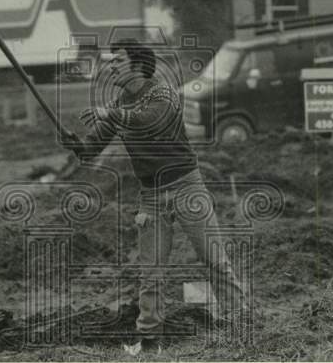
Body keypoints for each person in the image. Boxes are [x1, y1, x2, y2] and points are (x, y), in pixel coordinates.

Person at [62, 38, 246, 336]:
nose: (111, 68)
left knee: (214, 260)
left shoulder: (164, 93)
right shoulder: (120, 105)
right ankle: (149, 338)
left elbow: (151, 121)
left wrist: (112, 114)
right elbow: (91, 149)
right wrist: (76, 144)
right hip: (151, 198)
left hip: (188, 189)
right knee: (151, 274)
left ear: (137, 65)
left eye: (118, 61)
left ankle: (242, 324)